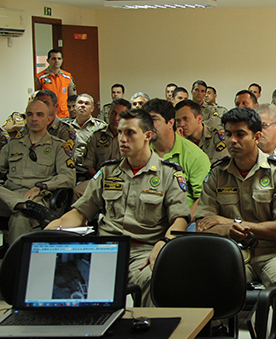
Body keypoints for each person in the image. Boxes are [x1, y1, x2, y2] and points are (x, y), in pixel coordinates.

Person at [45, 108, 191, 306]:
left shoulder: (168, 174)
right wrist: (58, 226)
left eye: (130, 132)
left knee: (152, 278)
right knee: (62, 277)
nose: (122, 138)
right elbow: (81, 212)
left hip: (143, 251)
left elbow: (180, 219)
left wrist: (165, 242)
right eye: (120, 132)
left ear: (148, 135)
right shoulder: (108, 171)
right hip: (105, 249)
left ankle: (145, 330)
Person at [194, 107, 276, 339]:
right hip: (232, 252)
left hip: (274, 252)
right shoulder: (217, 174)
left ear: (257, 137)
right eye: (228, 134)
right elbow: (203, 224)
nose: (232, 140)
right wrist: (228, 229)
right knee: (203, 281)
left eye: (240, 134)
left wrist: (232, 223)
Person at [0, 100, 75, 243]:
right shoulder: (13, 145)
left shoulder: (58, 147)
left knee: (20, 219)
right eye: (30, 114)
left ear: (48, 119)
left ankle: (17, 264)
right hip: (8, 197)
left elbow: (69, 177)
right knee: (21, 209)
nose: (34, 119)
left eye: (39, 115)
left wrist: (41, 187)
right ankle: (23, 204)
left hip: (38, 199)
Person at [144, 98, 211, 211]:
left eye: (153, 120)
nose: (147, 126)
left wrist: (182, 223)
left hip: (183, 219)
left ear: (170, 122)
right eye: (145, 121)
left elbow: (203, 198)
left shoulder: (195, 156)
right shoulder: (141, 151)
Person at [84, 98, 132, 179]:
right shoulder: (97, 136)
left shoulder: (132, 137)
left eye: (121, 115)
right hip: (100, 179)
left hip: (125, 181)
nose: (116, 118)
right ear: (108, 113)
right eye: (113, 113)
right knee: (77, 191)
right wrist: (99, 178)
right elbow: (88, 165)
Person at [33, 90, 77, 156]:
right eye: (38, 104)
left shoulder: (65, 130)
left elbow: (65, 158)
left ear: (56, 106)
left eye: (45, 104)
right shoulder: (29, 127)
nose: (41, 108)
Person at [35, 49, 76, 118]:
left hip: (65, 115)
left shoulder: (67, 77)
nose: (57, 61)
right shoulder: (40, 77)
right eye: (53, 58)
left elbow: (73, 97)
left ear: (62, 60)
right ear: (48, 60)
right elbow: (36, 97)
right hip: (47, 115)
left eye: (59, 58)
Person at [70, 94, 107, 166]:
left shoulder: (100, 126)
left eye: (86, 104)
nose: (83, 105)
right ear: (75, 106)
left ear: (92, 108)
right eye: (80, 102)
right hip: (72, 168)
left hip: (92, 168)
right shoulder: (67, 127)